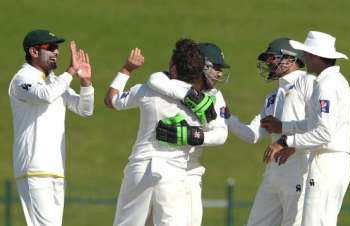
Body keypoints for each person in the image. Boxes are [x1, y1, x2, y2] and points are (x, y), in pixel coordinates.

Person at [104, 39, 226, 226]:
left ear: (174, 68)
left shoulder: (147, 89)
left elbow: (111, 100)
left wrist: (127, 70)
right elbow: (220, 134)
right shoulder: (205, 105)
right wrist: (195, 136)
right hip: (173, 172)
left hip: (139, 168)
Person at [262, 31, 350, 226]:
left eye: (306, 54)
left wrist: (286, 141)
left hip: (326, 160)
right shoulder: (335, 81)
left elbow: (324, 133)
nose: (303, 58)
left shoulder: (327, 85)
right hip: (332, 161)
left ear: (316, 56)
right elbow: (312, 123)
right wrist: (284, 126)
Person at [9, 29, 94, 226]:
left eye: (57, 47)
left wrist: (85, 83)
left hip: (56, 169)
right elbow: (45, 95)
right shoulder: (22, 79)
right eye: (50, 47)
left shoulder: (56, 81)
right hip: (34, 167)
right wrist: (70, 72)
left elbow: (84, 109)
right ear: (34, 52)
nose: (56, 51)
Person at [226, 38, 315, 226]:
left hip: (299, 168)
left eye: (271, 57)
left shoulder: (308, 83)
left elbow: (317, 125)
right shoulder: (272, 96)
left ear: (291, 58)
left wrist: (290, 143)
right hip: (274, 172)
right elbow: (253, 135)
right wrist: (225, 117)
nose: (268, 62)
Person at [146, 42, 229, 226]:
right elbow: (154, 78)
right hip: (158, 165)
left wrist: (194, 136)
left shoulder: (215, 96)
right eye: (216, 67)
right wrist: (189, 95)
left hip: (189, 172)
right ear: (202, 66)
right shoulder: (168, 83)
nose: (220, 73)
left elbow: (221, 134)